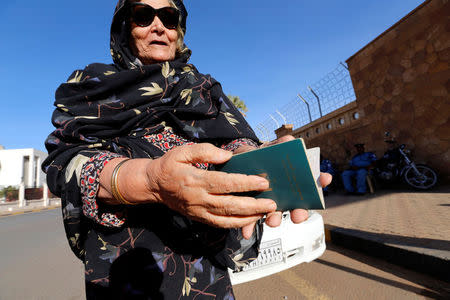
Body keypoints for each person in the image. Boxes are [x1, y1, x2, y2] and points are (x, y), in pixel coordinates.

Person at [43, 0, 331, 299]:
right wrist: (148, 181)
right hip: (125, 274)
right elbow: (65, 164)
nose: (158, 27)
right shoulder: (91, 90)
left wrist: (258, 161)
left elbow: (235, 141)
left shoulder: (201, 89)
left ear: (177, 30)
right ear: (123, 29)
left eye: (168, 17)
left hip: (206, 275)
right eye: (143, 16)